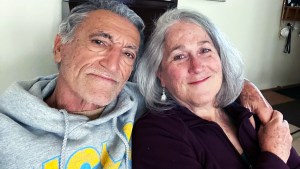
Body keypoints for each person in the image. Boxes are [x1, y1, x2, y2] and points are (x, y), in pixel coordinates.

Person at [0, 0, 274, 168]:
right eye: (99, 42)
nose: (112, 63)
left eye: (129, 53)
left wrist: (245, 88)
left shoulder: (133, 100)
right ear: (60, 47)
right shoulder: (6, 132)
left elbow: (200, 82)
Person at [132, 9, 300, 169]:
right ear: (160, 74)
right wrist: (274, 155)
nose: (197, 67)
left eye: (205, 50)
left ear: (221, 58)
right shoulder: (156, 134)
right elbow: (281, 155)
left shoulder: (244, 107)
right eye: (179, 56)